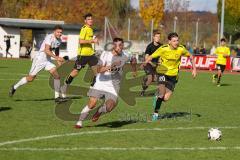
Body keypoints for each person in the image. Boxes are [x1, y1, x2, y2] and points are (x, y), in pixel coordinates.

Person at [75, 38, 129, 128]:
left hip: (113, 86)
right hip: (101, 82)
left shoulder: (125, 55)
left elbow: (133, 59)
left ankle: (99, 112)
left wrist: (135, 69)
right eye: (117, 45)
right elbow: (99, 69)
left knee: (109, 107)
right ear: (113, 46)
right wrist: (111, 66)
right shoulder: (106, 54)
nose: (119, 47)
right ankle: (79, 122)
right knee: (92, 103)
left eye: (121, 45)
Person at [144, 32, 197, 121]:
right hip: (163, 73)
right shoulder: (163, 49)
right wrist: (145, 63)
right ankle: (155, 114)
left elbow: (191, 56)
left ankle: (156, 97)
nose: (176, 42)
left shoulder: (181, 49)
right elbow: (150, 57)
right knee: (161, 94)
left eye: (177, 40)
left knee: (165, 98)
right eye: (174, 41)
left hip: (173, 76)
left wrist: (194, 69)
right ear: (169, 42)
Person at [9, 25, 66, 103]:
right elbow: (46, 50)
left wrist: (59, 61)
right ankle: (14, 87)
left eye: (61, 32)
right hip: (40, 59)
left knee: (57, 76)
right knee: (30, 78)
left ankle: (57, 98)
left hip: (47, 60)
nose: (60, 34)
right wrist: (57, 58)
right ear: (54, 32)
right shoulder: (49, 37)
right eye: (58, 32)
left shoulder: (59, 40)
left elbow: (56, 51)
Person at [61, 13, 99, 98]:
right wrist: (92, 41)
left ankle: (91, 91)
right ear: (85, 21)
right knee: (75, 72)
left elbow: (89, 40)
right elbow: (81, 41)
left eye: (91, 19)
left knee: (97, 73)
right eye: (89, 19)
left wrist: (94, 40)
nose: (91, 20)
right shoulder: (84, 29)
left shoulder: (90, 29)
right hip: (83, 55)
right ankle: (64, 87)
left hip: (91, 54)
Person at [140, 30, 162, 96]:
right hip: (148, 64)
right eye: (156, 36)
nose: (158, 38)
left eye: (159, 37)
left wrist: (160, 62)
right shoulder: (149, 46)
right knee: (150, 79)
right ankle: (143, 91)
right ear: (153, 37)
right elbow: (146, 57)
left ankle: (145, 80)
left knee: (155, 79)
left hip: (156, 65)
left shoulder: (161, 46)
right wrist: (152, 63)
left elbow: (162, 55)